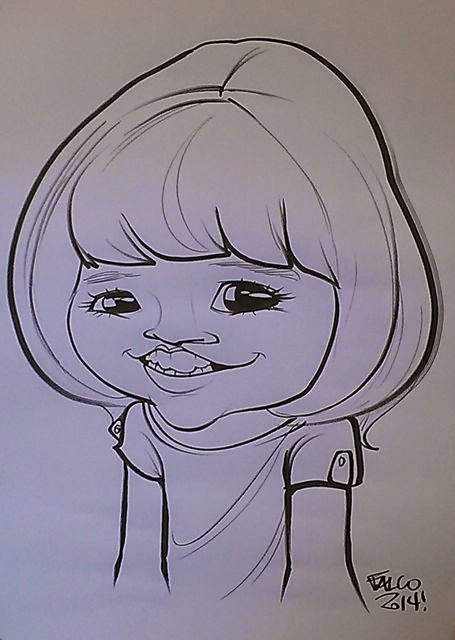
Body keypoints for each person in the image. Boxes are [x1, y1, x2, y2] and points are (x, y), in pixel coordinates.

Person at [8, 38, 441, 607]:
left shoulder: (314, 439)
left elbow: (323, 584)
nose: (172, 333)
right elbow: (133, 568)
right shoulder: (144, 427)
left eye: (243, 297)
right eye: (118, 300)